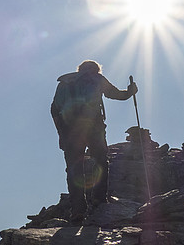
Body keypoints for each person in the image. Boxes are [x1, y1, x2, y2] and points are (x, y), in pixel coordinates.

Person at [51, 59, 137, 223]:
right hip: (93, 127)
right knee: (100, 161)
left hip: (70, 130)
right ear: (96, 70)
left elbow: (54, 109)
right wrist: (131, 91)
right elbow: (116, 94)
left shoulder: (65, 82)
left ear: (79, 69)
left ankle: (78, 210)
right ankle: (99, 199)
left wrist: (61, 134)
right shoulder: (97, 79)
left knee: (74, 168)